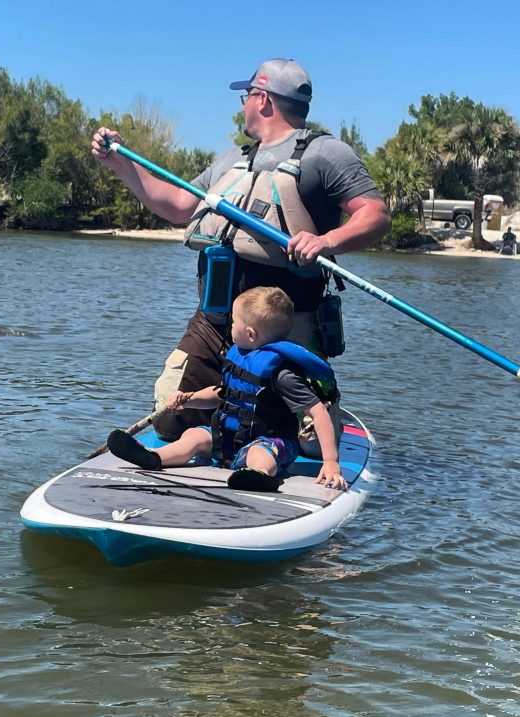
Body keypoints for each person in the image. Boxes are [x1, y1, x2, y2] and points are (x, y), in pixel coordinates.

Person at [92, 58, 391, 441]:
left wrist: (325, 241)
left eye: (246, 96)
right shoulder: (232, 160)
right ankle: (212, 433)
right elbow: (178, 205)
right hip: (216, 323)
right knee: (169, 417)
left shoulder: (326, 154)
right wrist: (119, 162)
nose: (243, 104)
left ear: (262, 99)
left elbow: (376, 215)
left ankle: (281, 430)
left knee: (311, 444)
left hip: (288, 328)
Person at [107, 286, 347, 492]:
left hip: (268, 441)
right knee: (194, 436)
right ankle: (155, 458)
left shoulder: (282, 374)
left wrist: (331, 462)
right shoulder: (238, 356)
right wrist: (189, 399)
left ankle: (259, 475)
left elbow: (318, 413)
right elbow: (222, 393)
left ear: (250, 334)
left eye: (234, 322)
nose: (231, 326)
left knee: (258, 454)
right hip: (226, 439)